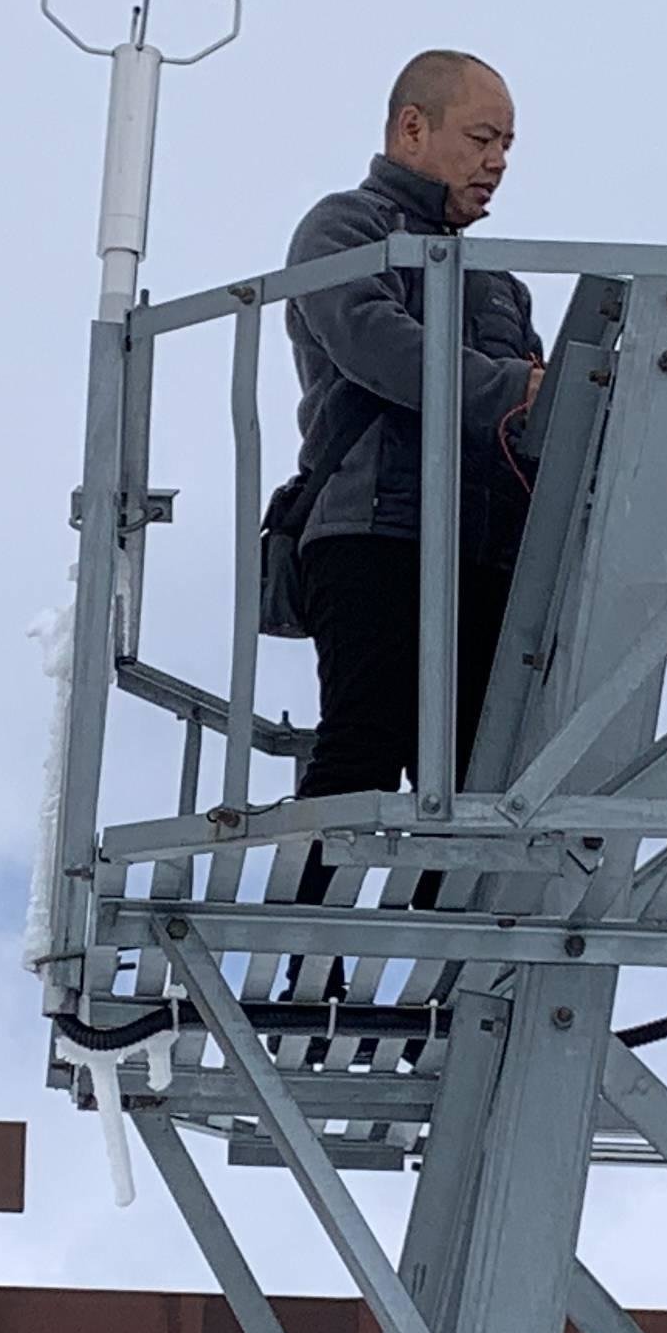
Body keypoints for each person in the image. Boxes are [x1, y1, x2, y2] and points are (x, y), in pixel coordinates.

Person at [281, 51, 546, 802]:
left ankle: (449, 921)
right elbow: (377, 343)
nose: (496, 162)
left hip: (483, 552)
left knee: (483, 783)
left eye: (507, 146)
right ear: (411, 128)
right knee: (362, 752)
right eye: (482, 138)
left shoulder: (500, 282)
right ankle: (309, 921)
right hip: (374, 532)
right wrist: (516, 389)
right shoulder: (341, 226)